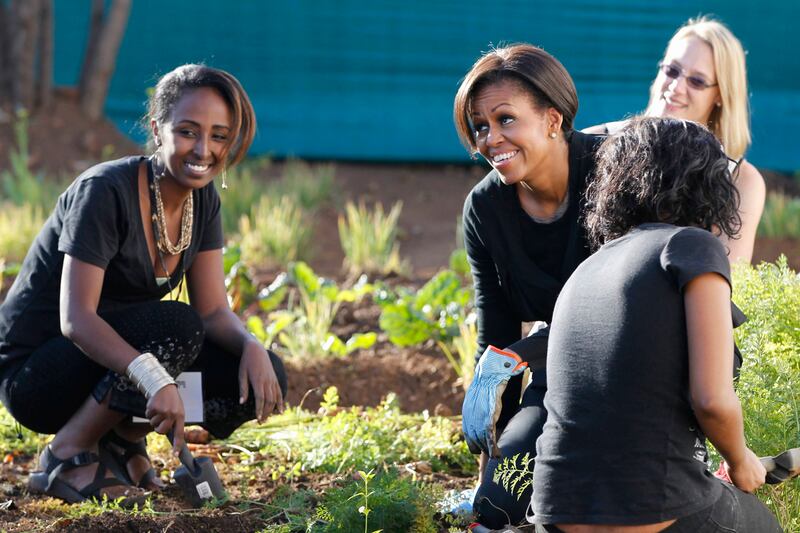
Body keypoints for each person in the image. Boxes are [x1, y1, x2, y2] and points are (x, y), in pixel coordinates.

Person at [0, 64, 287, 504]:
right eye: (188, 132)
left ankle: (120, 441)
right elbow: (76, 320)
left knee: (255, 374)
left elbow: (214, 311)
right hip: (39, 376)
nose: (204, 149)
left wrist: (250, 345)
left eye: (219, 136)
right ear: (157, 128)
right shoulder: (104, 191)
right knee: (177, 326)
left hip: (110, 364)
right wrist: (155, 380)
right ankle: (67, 455)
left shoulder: (203, 199)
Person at [532, 117, 780, 532]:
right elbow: (712, 400)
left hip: (554, 512)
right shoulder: (689, 245)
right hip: (650, 509)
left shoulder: (587, 268)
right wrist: (741, 462)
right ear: (705, 186)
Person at [453, 44, 604, 527]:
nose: (491, 138)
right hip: (561, 378)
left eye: (505, 119)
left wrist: (515, 357)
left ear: (553, 119)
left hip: (642, 374)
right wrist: (487, 469)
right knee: (499, 507)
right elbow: (496, 333)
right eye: (481, 126)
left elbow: (617, 318)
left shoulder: (612, 177)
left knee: (599, 499)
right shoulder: (486, 209)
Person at [584, 16, 765, 264]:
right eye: (671, 70)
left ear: (721, 95)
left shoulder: (740, 179)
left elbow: (730, 273)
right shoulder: (597, 141)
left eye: (697, 81)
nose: (676, 86)